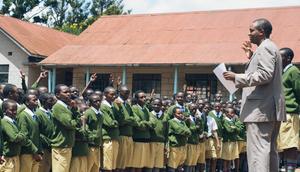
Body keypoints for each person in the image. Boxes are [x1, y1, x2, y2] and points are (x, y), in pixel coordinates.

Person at [223, 18, 286, 172]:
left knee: (258, 153)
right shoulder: (270, 47)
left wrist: (237, 77)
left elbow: (265, 75)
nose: (249, 33)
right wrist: (251, 56)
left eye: (251, 30)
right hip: (268, 108)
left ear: (261, 32)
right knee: (268, 151)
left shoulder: (265, 48)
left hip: (260, 109)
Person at [277, 47, 300, 172]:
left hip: (290, 113)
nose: (278, 59)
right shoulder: (282, 72)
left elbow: (298, 92)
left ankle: (290, 169)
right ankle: (284, 168)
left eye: (280, 57)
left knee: (290, 145)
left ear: (288, 58)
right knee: (282, 144)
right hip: (280, 113)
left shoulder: (293, 71)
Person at [51, 84, 80, 172]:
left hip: (66, 145)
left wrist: (75, 109)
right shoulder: (58, 107)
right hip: (61, 146)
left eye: (69, 92)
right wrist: (78, 120)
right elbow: (70, 124)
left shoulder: (66, 107)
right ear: (57, 95)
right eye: (65, 92)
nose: (69, 94)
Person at [17, 93, 43, 172]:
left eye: (37, 100)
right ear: (27, 102)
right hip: (27, 153)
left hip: (36, 152)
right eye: (34, 100)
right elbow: (24, 137)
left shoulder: (34, 115)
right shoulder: (23, 115)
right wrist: (35, 152)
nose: (36, 102)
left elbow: (37, 135)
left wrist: (39, 151)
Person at [0, 100, 26, 172]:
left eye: (16, 110)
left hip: (15, 156)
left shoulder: (12, 121)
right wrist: (22, 134)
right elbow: (14, 137)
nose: (14, 112)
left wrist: (20, 135)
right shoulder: (5, 122)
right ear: (4, 110)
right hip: (8, 158)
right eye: (12, 110)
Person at [36, 93, 56, 172]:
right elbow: (38, 133)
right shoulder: (38, 114)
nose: (53, 102)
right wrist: (49, 142)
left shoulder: (50, 113)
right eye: (50, 101)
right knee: (42, 168)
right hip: (43, 147)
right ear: (44, 101)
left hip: (50, 147)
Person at [85, 94, 103, 172]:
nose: (98, 103)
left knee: (96, 167)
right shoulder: (88, 112)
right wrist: (91, 137)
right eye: (95, 101)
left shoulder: (100, 114)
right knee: (88, 166)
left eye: (99, 101)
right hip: (90, 145)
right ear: (91, 103)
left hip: (97, 144)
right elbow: (85, 127)